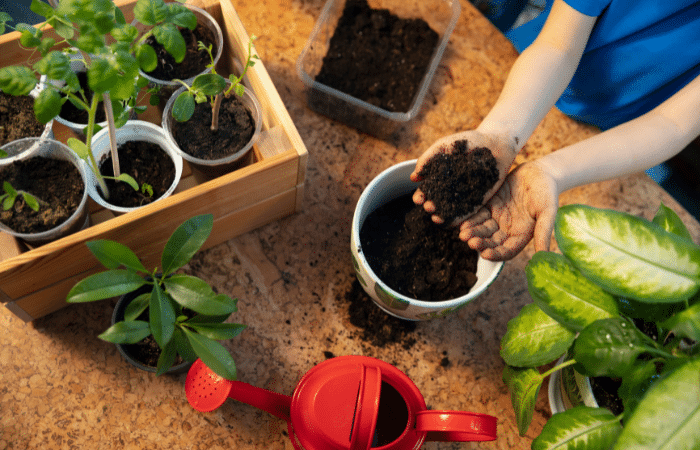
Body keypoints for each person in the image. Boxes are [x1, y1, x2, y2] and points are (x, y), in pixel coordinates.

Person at [411, 0, 700, 261]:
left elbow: (672, 124)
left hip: (621, 124)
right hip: (535, 75)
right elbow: (558, 45)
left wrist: (551, 171)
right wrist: (499, 134)